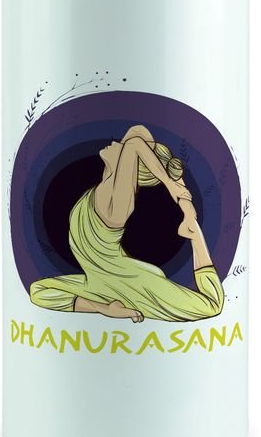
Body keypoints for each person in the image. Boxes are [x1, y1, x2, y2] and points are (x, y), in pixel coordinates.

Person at [29, 125, 224, 322]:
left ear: (130, 167)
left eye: (124, 151)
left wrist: (169, 183)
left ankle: (195, 234)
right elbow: (138, 132)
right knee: (37, 290)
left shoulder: (117, 204)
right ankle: (190, 227)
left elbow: (134, 144)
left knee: (212, 305)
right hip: (102, 279)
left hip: (127, 280)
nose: (116, 143)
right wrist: (103, 308)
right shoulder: (109, 178)